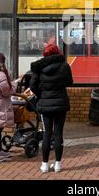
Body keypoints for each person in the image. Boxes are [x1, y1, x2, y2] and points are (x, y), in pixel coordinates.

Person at [30, 43, 73, 173]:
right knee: (59, 133)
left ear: (45, 53)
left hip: (45, 105)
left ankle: (44, 165)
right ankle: (58, 164)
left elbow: (32, 86)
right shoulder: (64, 66)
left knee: (47, 133)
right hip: (61, 104)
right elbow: (69, 82)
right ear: (57, 52)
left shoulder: (39, 67)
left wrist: (41, 95)